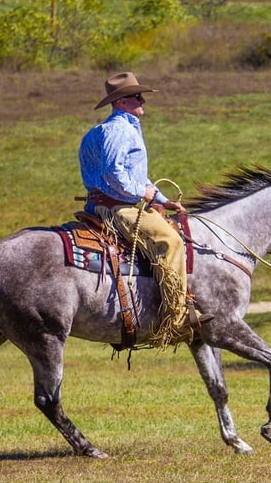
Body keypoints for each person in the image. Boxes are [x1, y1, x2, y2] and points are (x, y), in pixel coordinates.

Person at [78, 71, 213, 348]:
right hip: (115, 209)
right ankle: (176, 319)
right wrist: (143, 193)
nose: (143, 101)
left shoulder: (107, 130)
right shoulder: (118, 130)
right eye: (137, 96)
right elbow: (114, 174)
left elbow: (133, 175)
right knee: (170, 241)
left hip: (113, 203)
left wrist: (161, 200)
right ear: (122, 102)